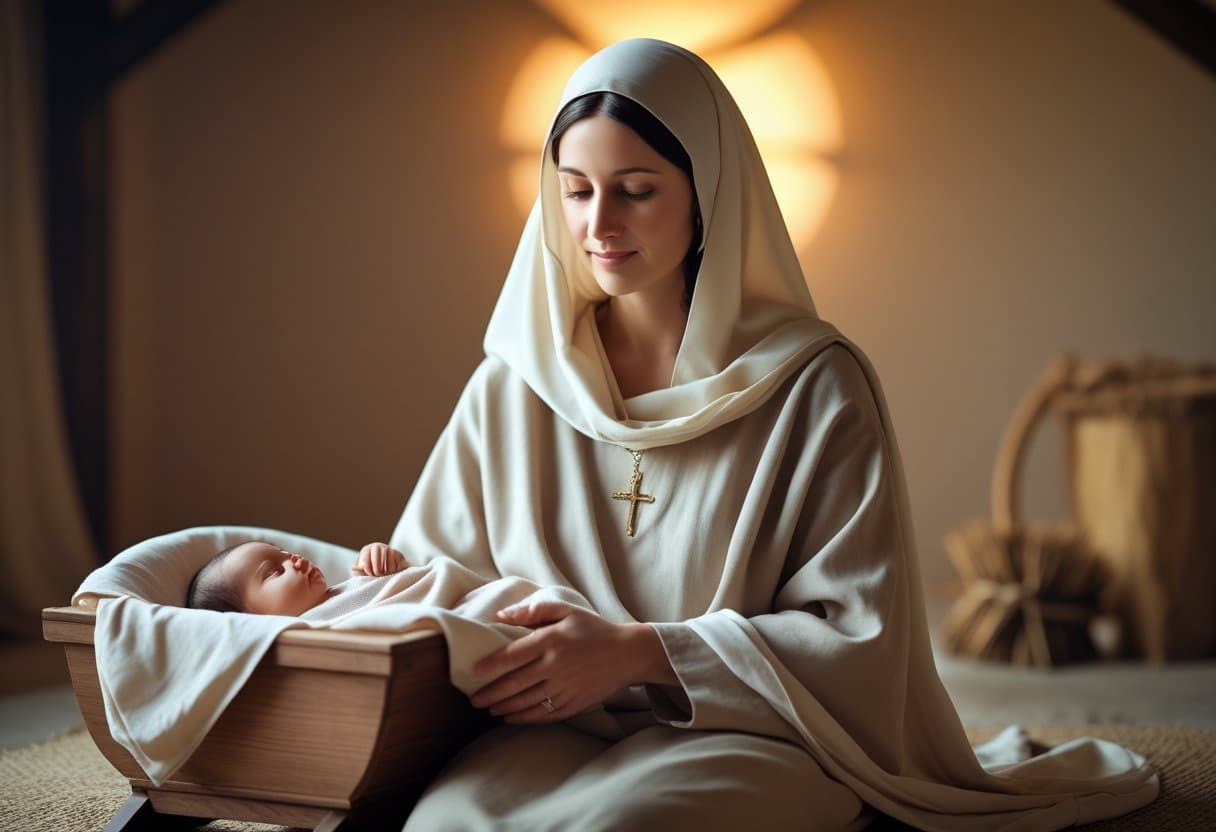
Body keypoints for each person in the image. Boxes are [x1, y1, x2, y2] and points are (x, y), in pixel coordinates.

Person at [382, 38, 1155, 830]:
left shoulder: (814, 386)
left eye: (636, 190)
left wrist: (638, 652)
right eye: (576, 191)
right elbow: (431, 576)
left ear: (707, 193)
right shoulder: (514, 386)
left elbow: (861, 642)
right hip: (552, 726)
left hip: (749, 728)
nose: (599, 223)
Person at [186, 540, 407, 615]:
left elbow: (405, 581)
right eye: (275, 571)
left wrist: (382, 558)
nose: (295, 560)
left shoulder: (354, 582)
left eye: (287, 555)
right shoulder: (311, 632)